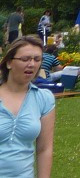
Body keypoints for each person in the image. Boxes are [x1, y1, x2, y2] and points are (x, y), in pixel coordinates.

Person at [0, 35, 56, 178]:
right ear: (9, 63)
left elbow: (44, 149)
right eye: (25, 59)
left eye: (37, 59)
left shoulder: (44, 98)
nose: (32, 64)